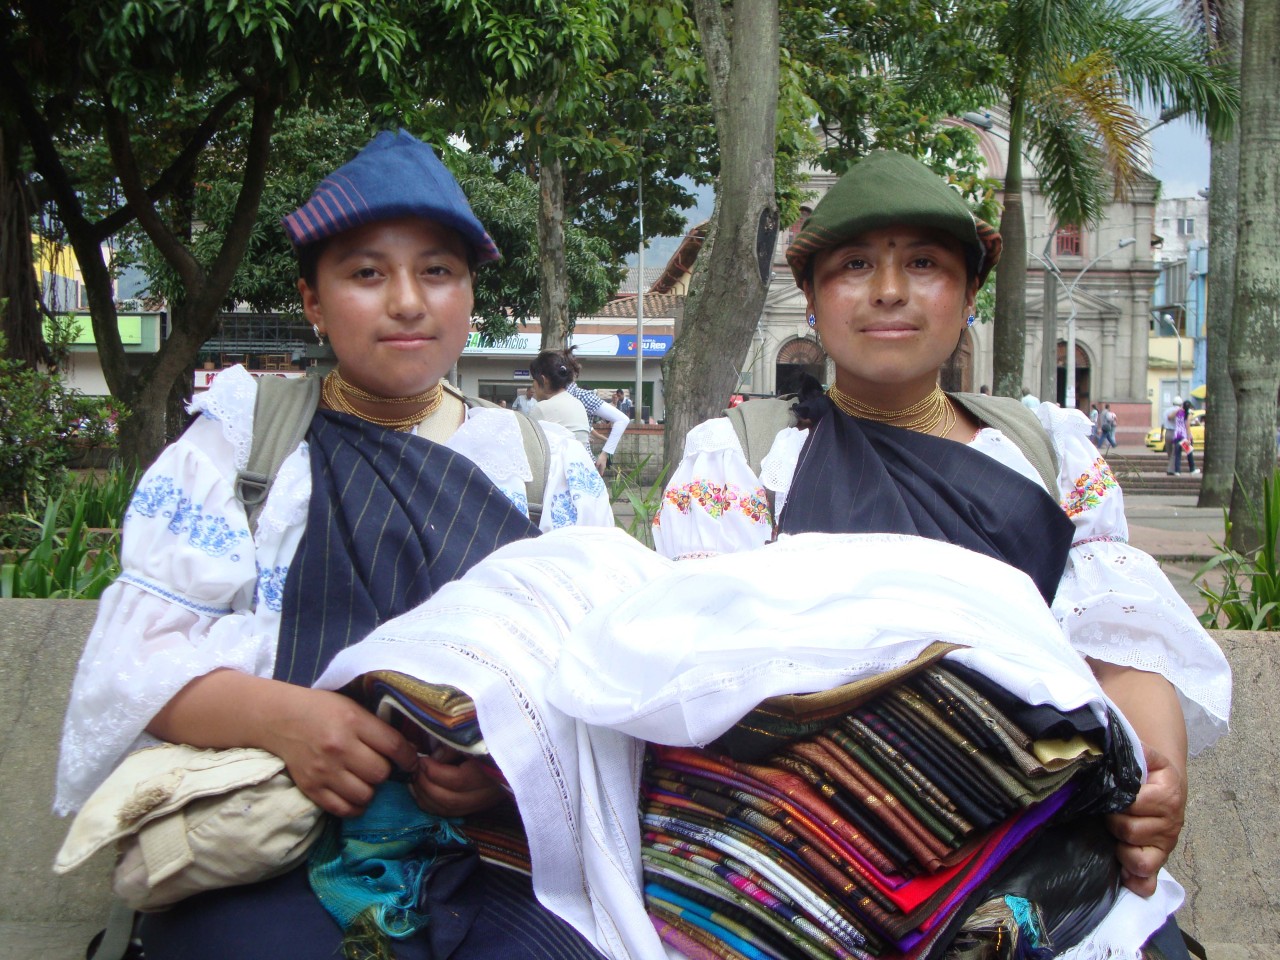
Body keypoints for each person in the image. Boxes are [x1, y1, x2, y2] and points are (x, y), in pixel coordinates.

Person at [653, 150, 1229, 957]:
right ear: (814, 301)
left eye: (923, 263)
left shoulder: (1047, 454)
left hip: (1033, 848)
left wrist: (1156, 776)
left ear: (966, 296)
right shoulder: (743, 461)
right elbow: (701, 675)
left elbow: (1118, 643)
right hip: (808, 857)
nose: (889, 289)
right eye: (855, 265)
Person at [55, 130, 613, 960]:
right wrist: (286, 719)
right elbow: (129, 666)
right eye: (364, 273)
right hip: (280, 839)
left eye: (437, 270)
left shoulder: (544, 472)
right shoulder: (243, 451)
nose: (407, 302)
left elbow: (602, 678)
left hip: (502, 850)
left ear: (467, 295)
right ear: (313, 302)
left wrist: (505, 767)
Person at [531, 348, 628, 474]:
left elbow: (622, 419)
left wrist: (605, 454)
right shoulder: (565, 398)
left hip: (570, 467)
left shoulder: (582, 396)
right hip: (583, 466)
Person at [1175, 399, 1198, 474]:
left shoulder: (1179, 413)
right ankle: (1192, 469)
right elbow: (1187, 425)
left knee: (1178, 453)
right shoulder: (1189, 414)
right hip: (1184, 436)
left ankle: (1177, 471)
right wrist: (1188, 438)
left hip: (1178, 434)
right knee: (1189, 452)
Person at [1164, 395, 1184, 474]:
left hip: (1167, 432)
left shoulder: (1166, 410)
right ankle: (1170, 469)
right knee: (1174, 452)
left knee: (1169, 452)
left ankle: (1172, 467)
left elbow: (1163, 423)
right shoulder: (1180, 411)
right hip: (1176, 432)